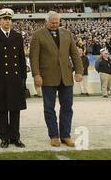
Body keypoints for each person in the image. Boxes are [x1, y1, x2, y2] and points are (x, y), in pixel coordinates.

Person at [29, 11, 83, 147]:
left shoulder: (67, 33)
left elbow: (75, 54)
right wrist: (36, 74)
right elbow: (33, 57)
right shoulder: (37, 35)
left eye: (57, 22)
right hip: (47, 77)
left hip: (66, 76)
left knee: (67, 107)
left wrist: (79, 71)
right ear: (46, 21)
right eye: (52, 22)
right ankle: (53, 135)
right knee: (49, 108)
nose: (54, 25)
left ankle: (66, 135)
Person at [0, 8, 27, 148]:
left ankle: (15, 137)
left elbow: (21, 57)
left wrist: (23, 76)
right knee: (2, 110)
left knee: (15, 109)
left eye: (9, 19)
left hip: (15, 78)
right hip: (0, 79)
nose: (7, 21)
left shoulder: (17, 36)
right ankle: (4, 137)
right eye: (4, 19)